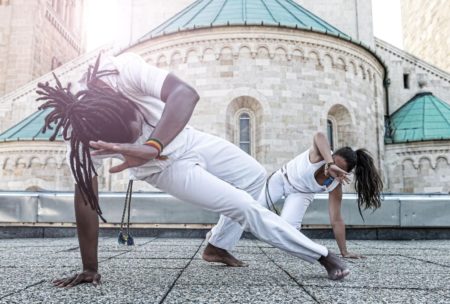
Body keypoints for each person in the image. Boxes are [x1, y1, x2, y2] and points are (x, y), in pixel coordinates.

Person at [37, 52, 350, 288]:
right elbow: (86, 201)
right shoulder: (81, 140)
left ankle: (217, 245)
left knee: (255, 176)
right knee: (244, 206)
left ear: (119, 98)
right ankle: (322, 256)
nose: (136, 132)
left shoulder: (121, 71)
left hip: (186, 138)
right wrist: (90, 266)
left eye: (134, 124)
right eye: (128, 137)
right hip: (161, 168)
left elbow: (185, 94)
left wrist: (151, 144)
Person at [206, 132, 383, 262]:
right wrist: (330, 163)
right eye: (333, 164)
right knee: (248, 206)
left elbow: (336, 219)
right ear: (330, 156)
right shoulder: (320, 155)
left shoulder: (335, 185)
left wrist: (344, 251)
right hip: (282, 179)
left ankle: (218, 240)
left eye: (338, 170)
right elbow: (319, 135)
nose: (331, 171)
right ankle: (217, 244)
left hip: (302, 193)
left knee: (289, 230)